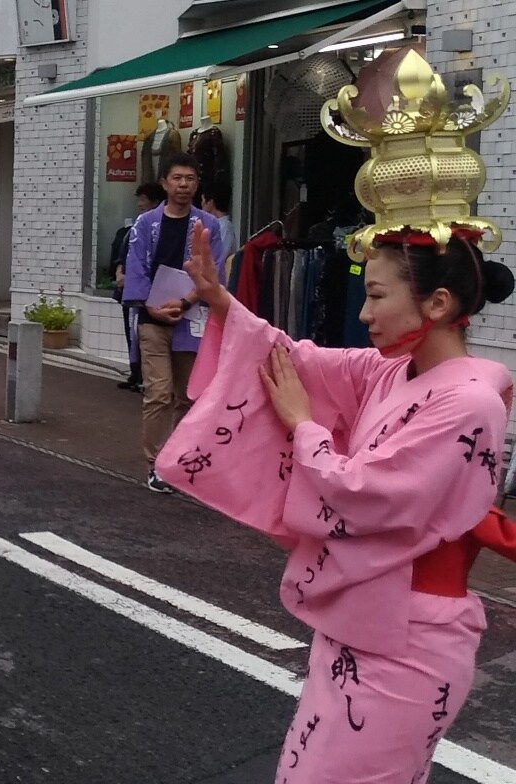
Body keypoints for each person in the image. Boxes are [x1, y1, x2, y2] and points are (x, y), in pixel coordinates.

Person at [157, 49, 516, 782]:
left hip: (411, 634)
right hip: (364, 619)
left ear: (438, 303)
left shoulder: (470, 399)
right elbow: (297, 357)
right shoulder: (393, 371)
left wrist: (302, 427)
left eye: (379, 295)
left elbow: (368, 494)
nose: (364, 311)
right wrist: (223, 301)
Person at [121, 153, 224, 493]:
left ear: (197, 184)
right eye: (177, 178)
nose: (183, 185)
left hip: (190, 317)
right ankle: (155, 463)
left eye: (190, 179)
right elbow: (135, 269)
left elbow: (214, 272)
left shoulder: (208, 226)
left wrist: (185, 301)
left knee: (186, 395)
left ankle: (179, 460)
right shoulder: (144, 224)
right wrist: (152, 308)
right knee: (158, 392)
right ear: (164, 182)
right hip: (152, 319)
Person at [111, 182, 166, 394]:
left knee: (142, 334)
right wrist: (119, 271)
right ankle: (135, 373)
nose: (140, 204)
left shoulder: (158, 225)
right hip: (128, 289)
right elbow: (123, 252)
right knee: (131, 332)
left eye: (144, 200)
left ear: (155, 202)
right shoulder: (138, 224)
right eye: (139, 199)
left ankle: (145, 376)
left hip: (146, 292)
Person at [201, 182, 238, 266]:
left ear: (210, 202)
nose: (201, 205)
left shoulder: (225, 227)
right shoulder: (215, 225)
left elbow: (218, 258)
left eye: (202, 200)